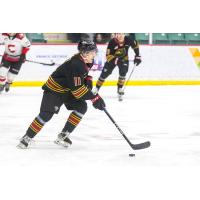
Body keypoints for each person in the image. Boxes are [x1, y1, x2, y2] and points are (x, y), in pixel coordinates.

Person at [17, 40, 106, 149]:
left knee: (81, 107)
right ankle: (26, 137)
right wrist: (94, 98)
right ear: (85, 53)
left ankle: (63, 135)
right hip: (54, 90)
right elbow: (78, 91)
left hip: (67, 89)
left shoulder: (86, 61)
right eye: (93, 52)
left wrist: (87, 79)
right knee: (46, 114)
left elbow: (78, 80)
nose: (95, 54)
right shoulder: (76, 64)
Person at [93, 33, 142, 100]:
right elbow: (108, 56)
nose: (120, 36)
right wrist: (116, 60)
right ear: (116, 35)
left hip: (124, 59)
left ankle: (120, 88)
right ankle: (96, 88)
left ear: (124, 34)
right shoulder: (112, 42)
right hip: (112, 59)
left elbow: (135, 45)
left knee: (123, 72)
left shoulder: (129, 39)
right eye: (118, 34)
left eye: (122, 34)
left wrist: (137, 56)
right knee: (104, 74)